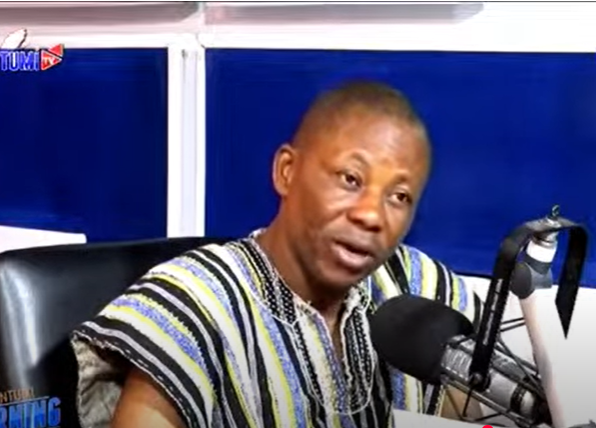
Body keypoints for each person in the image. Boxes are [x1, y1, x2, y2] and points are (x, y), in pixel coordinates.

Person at [71, 81, 481, 428]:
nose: (372, 215)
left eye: (399, 196)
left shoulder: (422, 290)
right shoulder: (193, 305)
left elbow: (469, 416)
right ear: (287, 171)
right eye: (350, 179)